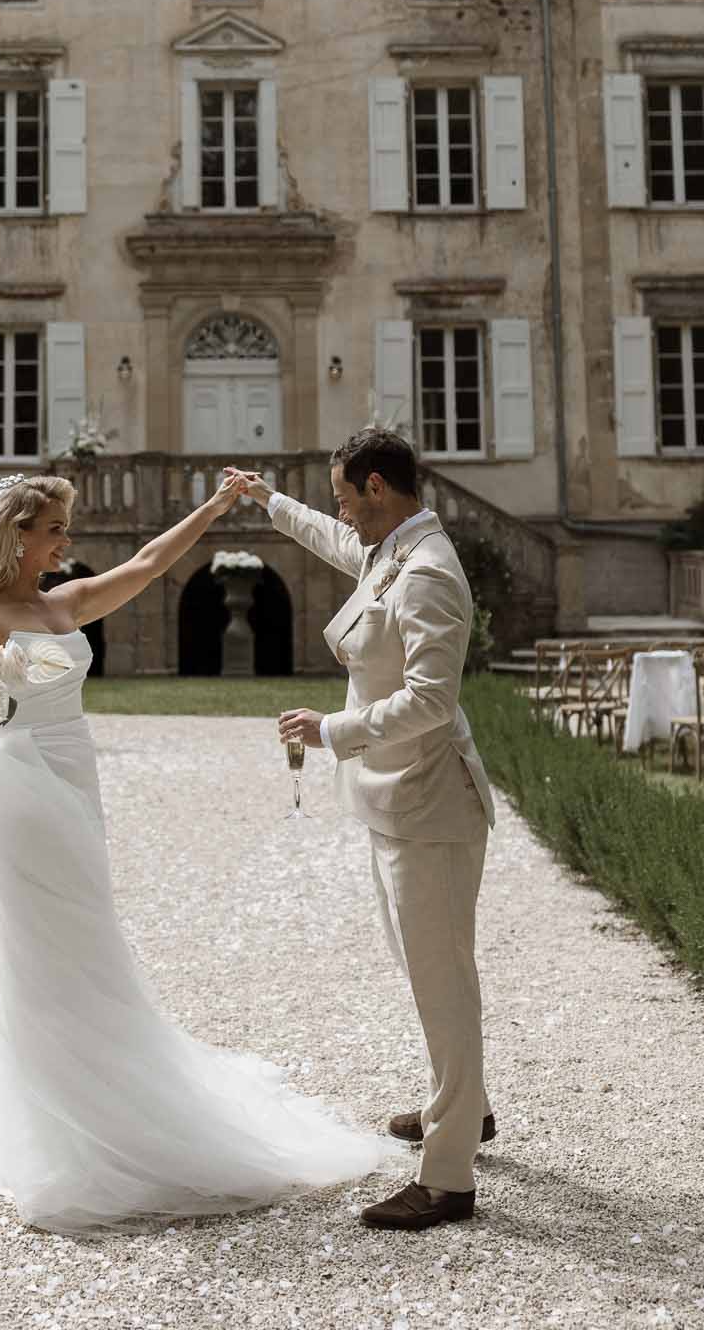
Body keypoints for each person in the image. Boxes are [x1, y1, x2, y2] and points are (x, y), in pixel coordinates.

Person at [0, 470, 391, 1234]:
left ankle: (97, 1074)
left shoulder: (61, 603)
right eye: (54, 530)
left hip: (75, 780)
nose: (65, 542)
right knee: (48, 934)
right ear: (18, 534)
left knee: (86, 926)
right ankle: (66, 1109)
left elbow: (146, 565)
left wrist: (212, 509)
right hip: (24, 791)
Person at [228, 429, 496, 1232]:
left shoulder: (426, 576)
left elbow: (430, 702)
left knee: (441, 983)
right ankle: (465, 1107)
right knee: (428, 971)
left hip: (432, 807)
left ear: (379, 488)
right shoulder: (388, 550)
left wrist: (331, 728)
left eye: (347, 497)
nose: (342, 512)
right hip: (396, 801)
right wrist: (266, 500)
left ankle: (448, 1177)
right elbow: (330, 538)